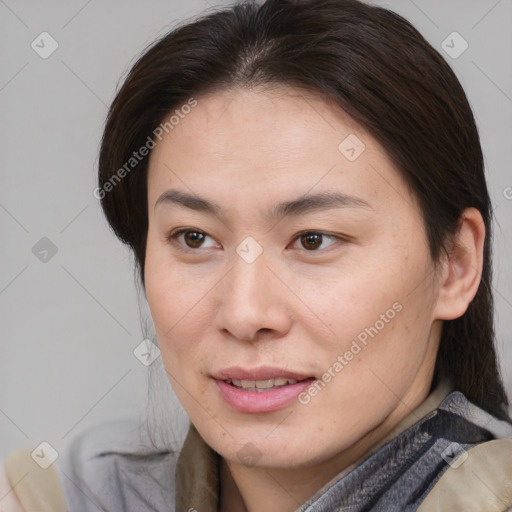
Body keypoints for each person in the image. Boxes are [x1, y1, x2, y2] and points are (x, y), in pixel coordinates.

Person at [2, 0, 512, 510]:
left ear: (455, 265)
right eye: (195, 238)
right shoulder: (63, 496)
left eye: (313, 239)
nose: (245, 314)